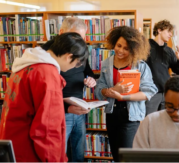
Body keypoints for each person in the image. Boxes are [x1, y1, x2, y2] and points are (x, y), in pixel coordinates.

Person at [0, 33, 88, 162]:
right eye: (77, 64)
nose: (73, 68)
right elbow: (47, 129)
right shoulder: (47, 74)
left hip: (13, 145)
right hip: (30, 152)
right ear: (69, 57)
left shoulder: (26, 64)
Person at [94, 26, 158, 162]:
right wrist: (110, 91)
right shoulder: (106, 63)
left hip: (130, 115)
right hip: (111, 114)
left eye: (126, 48)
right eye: (118, 45)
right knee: (116, 155)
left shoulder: (140, 66)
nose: (120, 51)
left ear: (134, 50)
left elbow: (148, 92)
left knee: (127, 156)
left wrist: (123, 97)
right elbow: (99, 88)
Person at [42, 17, 96, 162]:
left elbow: (88, 71)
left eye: (82, 39)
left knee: (77, 154)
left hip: (78, 108)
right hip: (59, 111)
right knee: (58, 154)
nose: (79, 43)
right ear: (61, 32)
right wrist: (66, 108)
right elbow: (44, 96)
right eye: (75, 37)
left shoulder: (78, 50)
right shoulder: (46, 55)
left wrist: (90, 79)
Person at [145, 19, 179, 116]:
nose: (170, 35)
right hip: (152, 93)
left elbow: (178, 71)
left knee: (165, 123)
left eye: (171, 32)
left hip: (166, 92)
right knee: (150, 122)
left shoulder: (169, 51)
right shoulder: (146, 48)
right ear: (159, 30)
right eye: (168, 31)